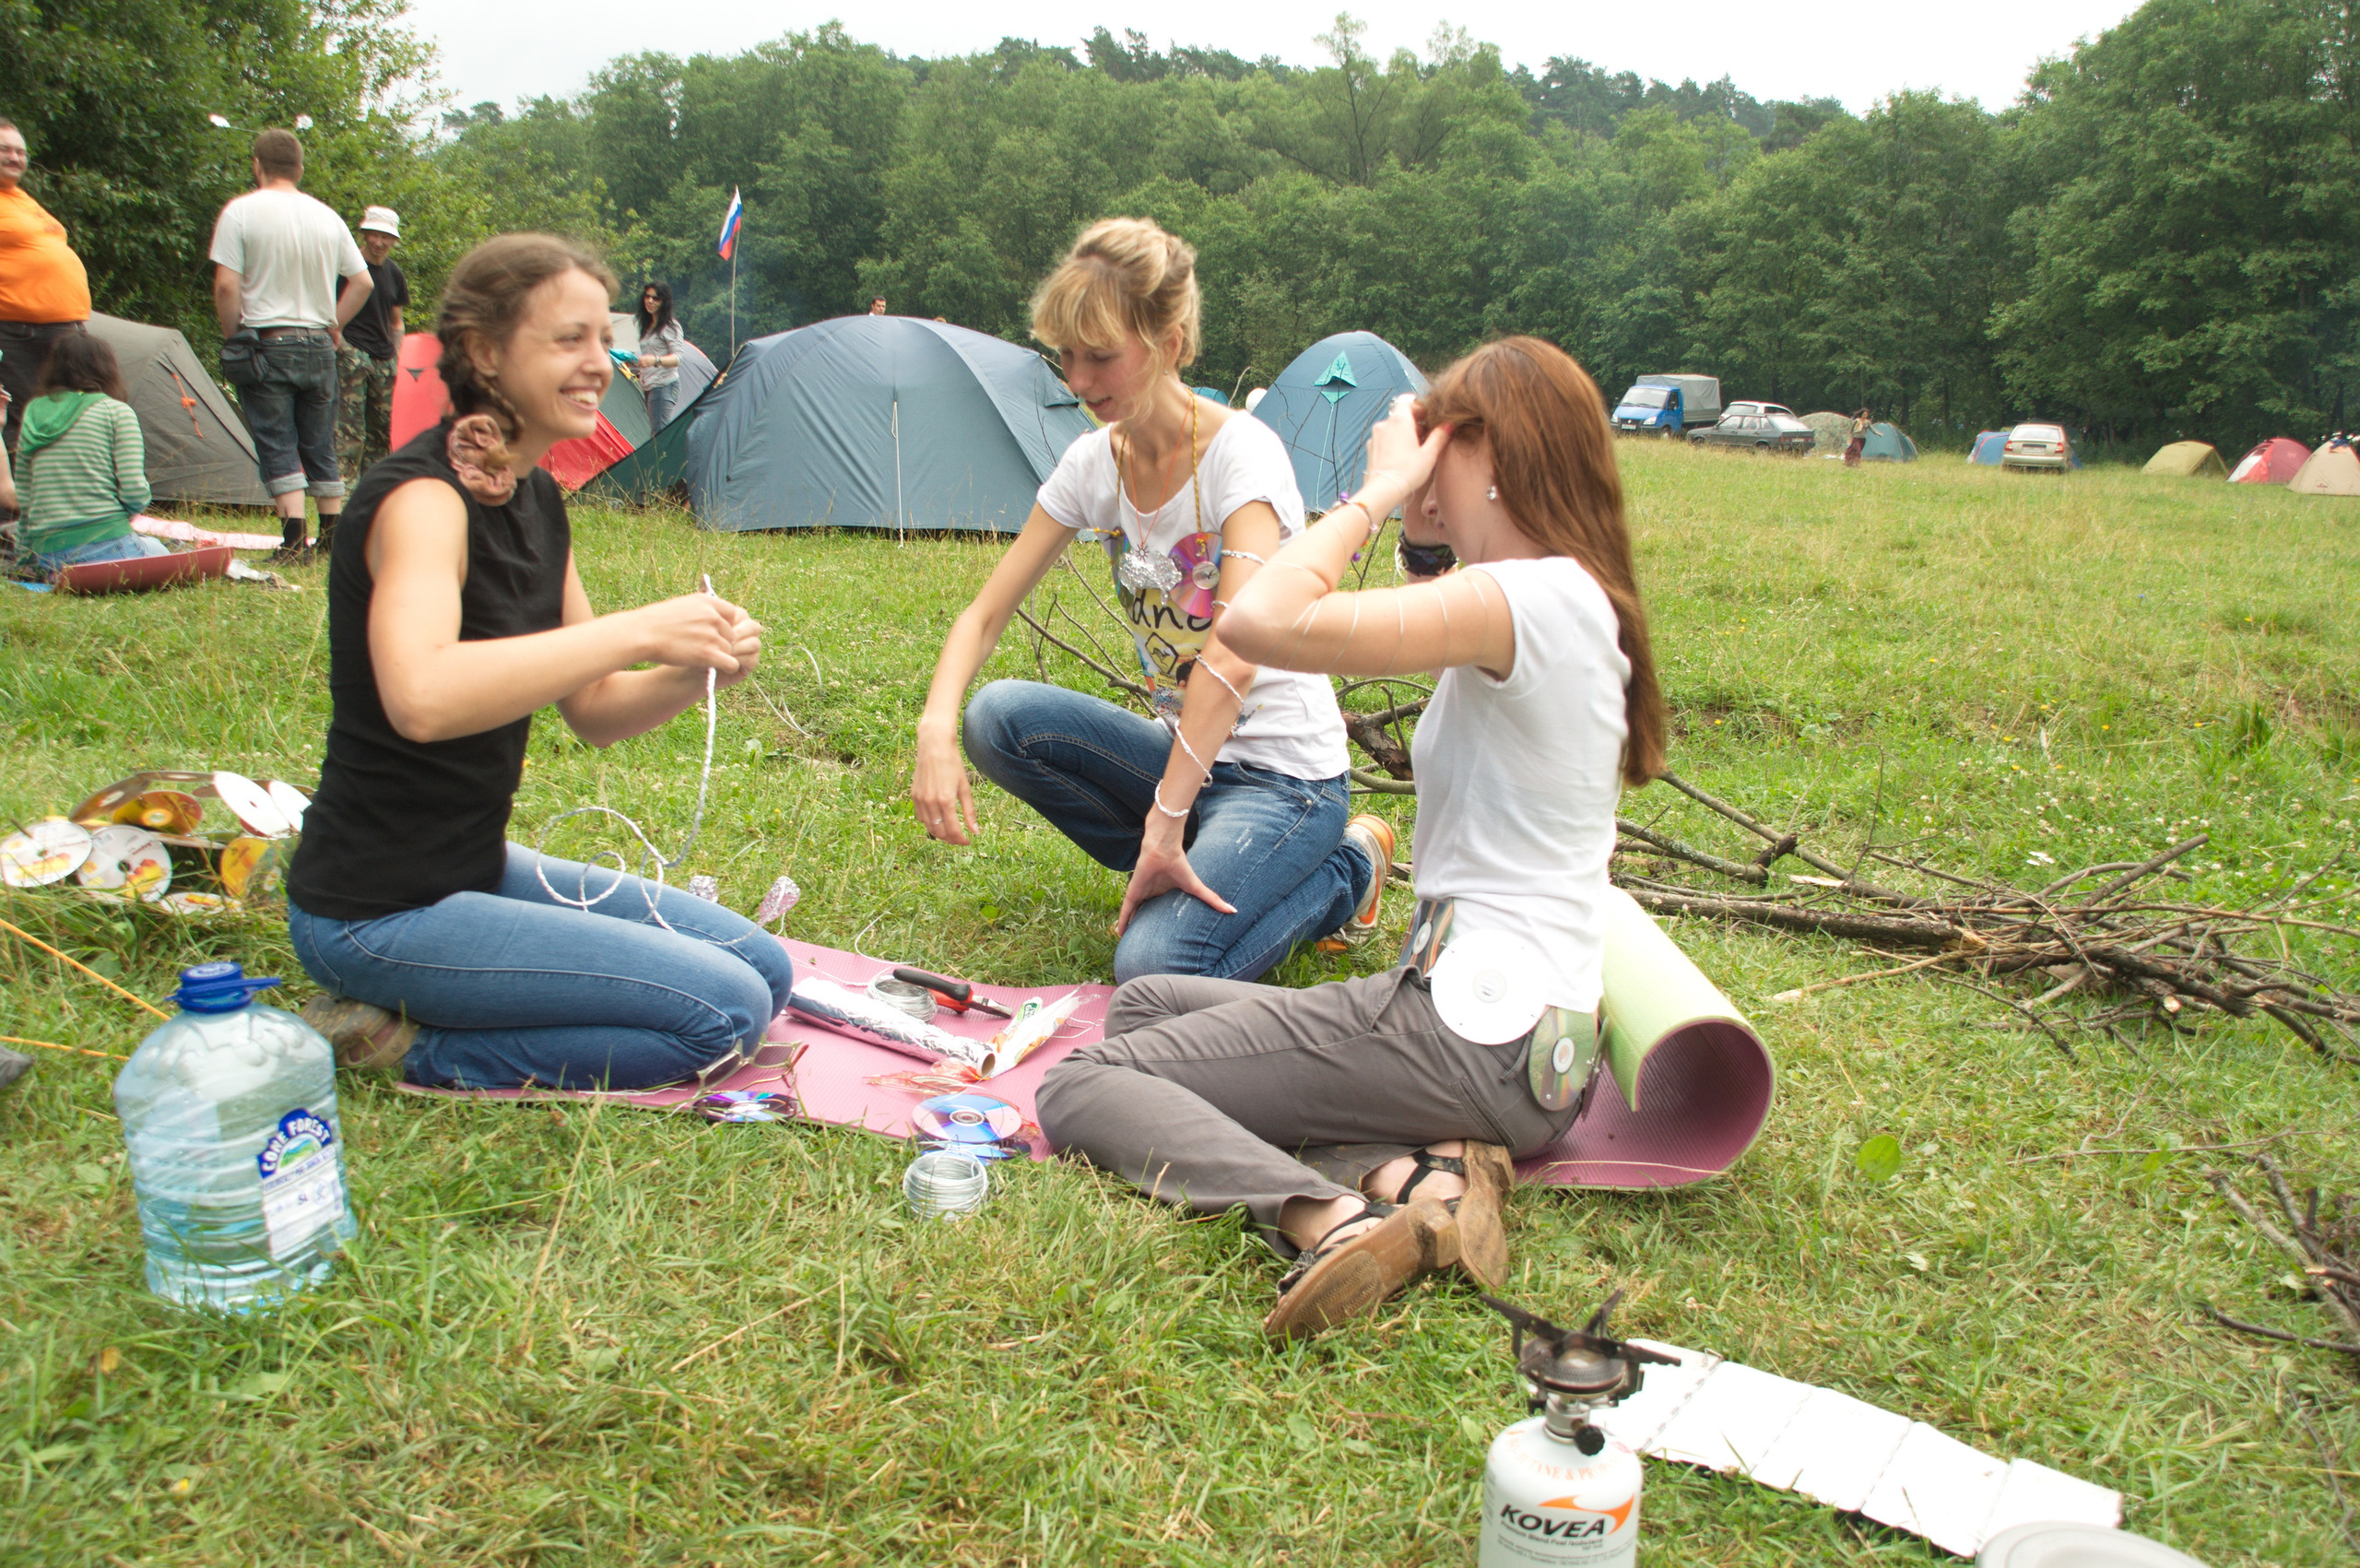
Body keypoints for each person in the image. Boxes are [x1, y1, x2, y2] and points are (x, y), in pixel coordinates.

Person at [1036, 336, 1670, 1340]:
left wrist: (1376, 491)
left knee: (1083, 1085)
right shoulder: (1561, 597)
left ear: (1486, 454)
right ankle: (1420, 1173)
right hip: (1523, 1044)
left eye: (1438, 444)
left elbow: (1255, 624)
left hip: (1467, 1031)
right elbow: (1400, 597)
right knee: (1146, 1004)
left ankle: (1327, 1217)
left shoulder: (1526, 599)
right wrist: (1426, 514)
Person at [284, 233, 791, 1092]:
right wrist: (638, 630)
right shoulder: (422, 501)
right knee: (725, 1014)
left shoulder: (534, 495)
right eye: (570, 340)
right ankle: (400, 1042)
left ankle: (460, 998)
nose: (602, 363)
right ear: (484, 352)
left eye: (605, 337)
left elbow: (592, 706)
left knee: (765, 967)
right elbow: (421, 697)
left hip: (472, 866)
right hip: (377, 908)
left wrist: (692, 667)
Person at [911, 218, 1387, 984]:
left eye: (1100, 356)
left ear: (1169, 342)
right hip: (1183, 758)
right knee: (996, 718)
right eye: (1065, 356)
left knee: (1153, 970)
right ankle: (1199, 860)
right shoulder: (1094, 462)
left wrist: (1165, 822)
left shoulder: (1242, 457)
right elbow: (984, 614)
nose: (1078, 380)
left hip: (1283, 777)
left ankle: (1347, 871)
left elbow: (1233, 654)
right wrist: (936, 728)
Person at [208, 128, 374, 560]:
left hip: (268, 340)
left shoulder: (240, 212)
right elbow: (362, 282)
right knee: (320, 440)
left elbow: (227, 287)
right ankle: (333, 537)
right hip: (319, 343)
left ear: (257, 165)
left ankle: (294, 540)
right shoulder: (327, 216)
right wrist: (334, 325)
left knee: (277, 439)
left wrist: (235, 339)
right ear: (299, 169)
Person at [5, 334, 172, 575]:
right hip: (108, 546)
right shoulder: (116, 412)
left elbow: (25, 493)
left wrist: (24, 556)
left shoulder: (33, 411)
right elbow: (135, 491)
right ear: (107, 369)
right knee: (160, 551)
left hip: (48, 557)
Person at [0, 118, 92, 458]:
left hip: (62, 328)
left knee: (72, 414)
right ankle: (11, 508)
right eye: (5, 149)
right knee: (18, 419)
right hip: (14, 332)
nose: (15, 157)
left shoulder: (21, 198)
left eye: (20, 151)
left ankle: (58, 501)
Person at [336, 206, 409, 484]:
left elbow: (396, 322)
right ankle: (340, 502)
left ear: (394, 240)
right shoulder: (346, 268)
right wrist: (343, 348)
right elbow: (329, 310)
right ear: (364, 234)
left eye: (385, 237)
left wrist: (398, 357)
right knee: (349, 433)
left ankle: (373, 495)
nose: (379, 242)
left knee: (382, 434)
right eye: (373, 235)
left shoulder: (394, 274)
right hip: (352, 355)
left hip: (385, 359)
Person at [631, 281, 685, 430]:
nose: (650, 301)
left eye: (655, 298)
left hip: (664, 385)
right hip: (650, 385)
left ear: (664, 302)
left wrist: (656, 360)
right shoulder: (648, 325)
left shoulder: (669, 326)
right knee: (656, 432)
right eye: (647, 296)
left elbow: (678, 358)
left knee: (659, 435)